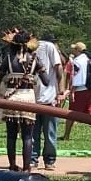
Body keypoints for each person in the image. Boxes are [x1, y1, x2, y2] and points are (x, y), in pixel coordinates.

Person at [0, 28, 49, 173]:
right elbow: (46, 81)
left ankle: (12, 166)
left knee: (11, 136)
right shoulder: (35, 59)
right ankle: (27, 167)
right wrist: (37, 72)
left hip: (11, 99)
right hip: (28, 99)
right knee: (27, 136)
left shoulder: (8, 58)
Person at [31, 33, 64, 171]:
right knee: (43, 132)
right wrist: (61, 91)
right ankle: (41, 159)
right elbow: (59, 68)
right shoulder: (50, 46)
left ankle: (41, 159)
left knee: (41, 132)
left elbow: (58, 68)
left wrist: (60, 92)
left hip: (44, 97)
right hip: (38, 98)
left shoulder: (39, 47)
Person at [62, 42, 91, 140]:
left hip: (80, 90)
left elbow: (78, 77)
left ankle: (66, 135)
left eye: (74, 49)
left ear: (77, 50)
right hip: (89, 89)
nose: (73, 50)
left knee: (71, 113)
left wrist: (72, 91)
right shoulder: (88, 59)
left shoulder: (77, 61)